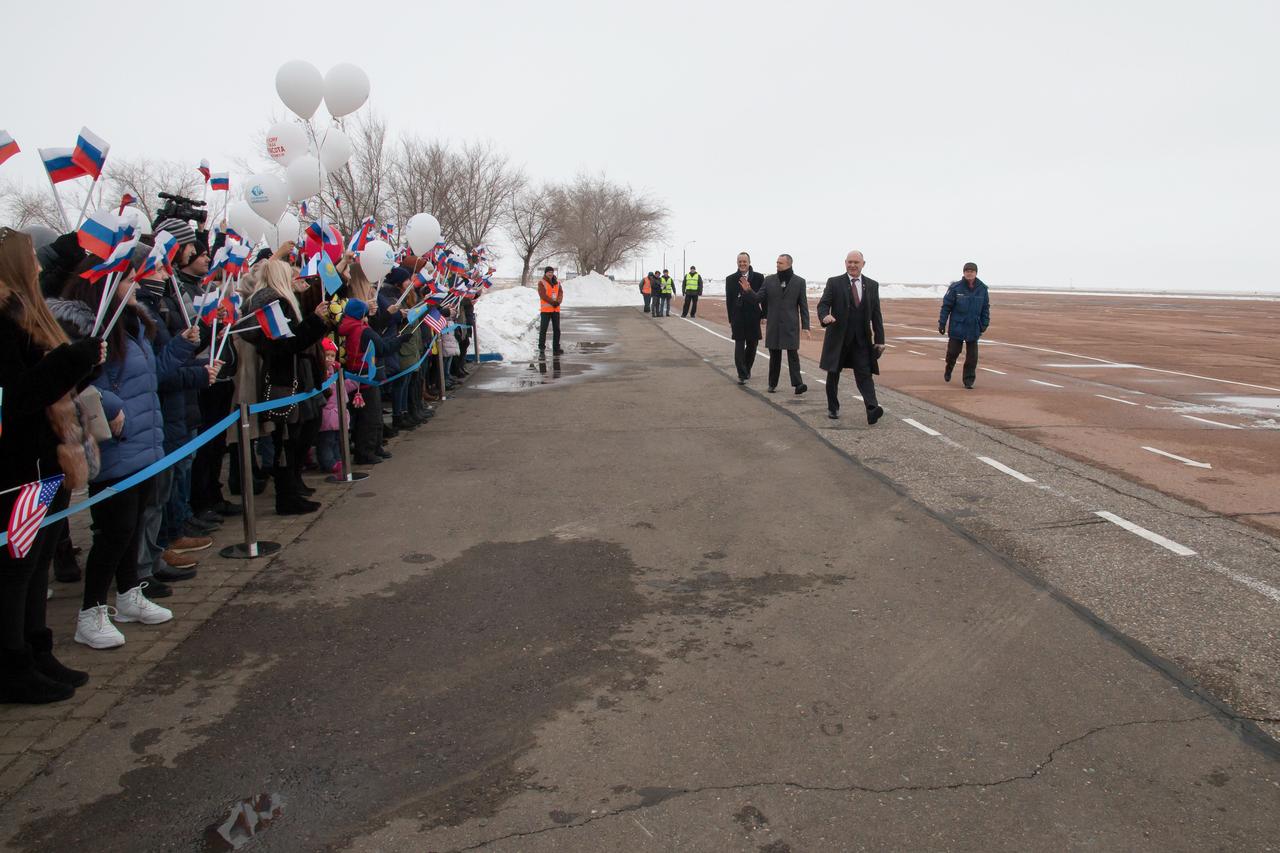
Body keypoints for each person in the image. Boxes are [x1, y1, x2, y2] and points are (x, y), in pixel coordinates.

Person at [0, 228, 103, 702]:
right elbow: (18, 397)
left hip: (49, 457)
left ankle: (38, 650)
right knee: (16, 567)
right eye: (33, 262)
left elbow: (53, 384)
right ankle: (12, 665)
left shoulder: (29, 312)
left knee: (38, 558)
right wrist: (68, 362)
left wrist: (83, 365)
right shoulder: (3, 322)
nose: (40, 267)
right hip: (18, 466)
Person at [817, 250, 885, 424]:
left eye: (856, 262)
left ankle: (872, 409)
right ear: (845, 263)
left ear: (863, 264)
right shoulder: (834, 283)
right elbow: (823, 304)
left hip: (861, 340)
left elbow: (876, 314)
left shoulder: (872, 285)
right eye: (850, 262)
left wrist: (880, 340)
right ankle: (833, 407)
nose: (853, 265)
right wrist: (825, 316)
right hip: (839, 338)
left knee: (864, 374)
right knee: (833, 374)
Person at [755, 254, 810, 395]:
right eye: (777, 262)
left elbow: (803, 305)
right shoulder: (769, 280)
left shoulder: (799, 282)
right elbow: (758, 298)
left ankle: (798, 384)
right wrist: (748, 291)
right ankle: (772, 384)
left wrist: (806, 326)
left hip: (790, 325)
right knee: (775, 356)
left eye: (780, 263)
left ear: (789, 264)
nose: (777, 265)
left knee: (793, 355)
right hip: (774, 325)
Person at [938, 262, 990, 389]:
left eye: (972, 271)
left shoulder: (982, 288)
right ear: (963, 272)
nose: (969, 273)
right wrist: (942, 322)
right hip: (957, 326)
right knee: (953, 352)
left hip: (974, 327)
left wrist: (984, 324)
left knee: (972, 357)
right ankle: (949, 368)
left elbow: (985, 308)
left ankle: (968, 380)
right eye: (967, 271)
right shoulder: (956, 287)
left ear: (976, 273)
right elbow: (946, 307)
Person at [725, 252, 764, 384]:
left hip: (753, 316)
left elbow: (764, 298)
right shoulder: (730, 279)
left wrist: (764, 315)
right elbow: (729, 300)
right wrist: (731, 318)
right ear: (737, 263)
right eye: (740, 261)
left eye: (744, 261)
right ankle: (741, 373)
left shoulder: (759, 278)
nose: (742, 264)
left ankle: (747, 368)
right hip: (738, 317)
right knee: (739, 344)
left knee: (753, 345)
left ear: (749, 262)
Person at [537, 266, 564, 354]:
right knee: (543, 330)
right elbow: (543, 295)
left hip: (556, 310)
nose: (550, 274)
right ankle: (541, 348)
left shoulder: (558, 282)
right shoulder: (541, 282)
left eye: (551, 272)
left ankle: (556, 348)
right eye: (548, 272)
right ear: (545, 273)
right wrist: (553, 302)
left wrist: (558, 301)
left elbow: (560, 293)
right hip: (546, 310)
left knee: (557, 330)